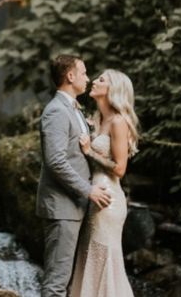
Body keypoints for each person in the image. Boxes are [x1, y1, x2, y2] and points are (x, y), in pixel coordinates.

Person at [36, 54, 112, 297]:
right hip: (62, 207)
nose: (88, 78)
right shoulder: (56, 111)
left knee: (68, 281)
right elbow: (55, 161)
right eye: (84, 73)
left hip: (74, 207)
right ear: (70, 76)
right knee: (57, 283)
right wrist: (88, 189)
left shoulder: (74, 109)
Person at [69, 68, 139, 297]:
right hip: (93, 195)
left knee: (104, 257)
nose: (94, 81)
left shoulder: (119, 121)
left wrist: (90, 152)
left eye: (101, 79)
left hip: (108, 199)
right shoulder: (96, 118)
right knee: (88, 257)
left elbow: (120, 169)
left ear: (113, 90)